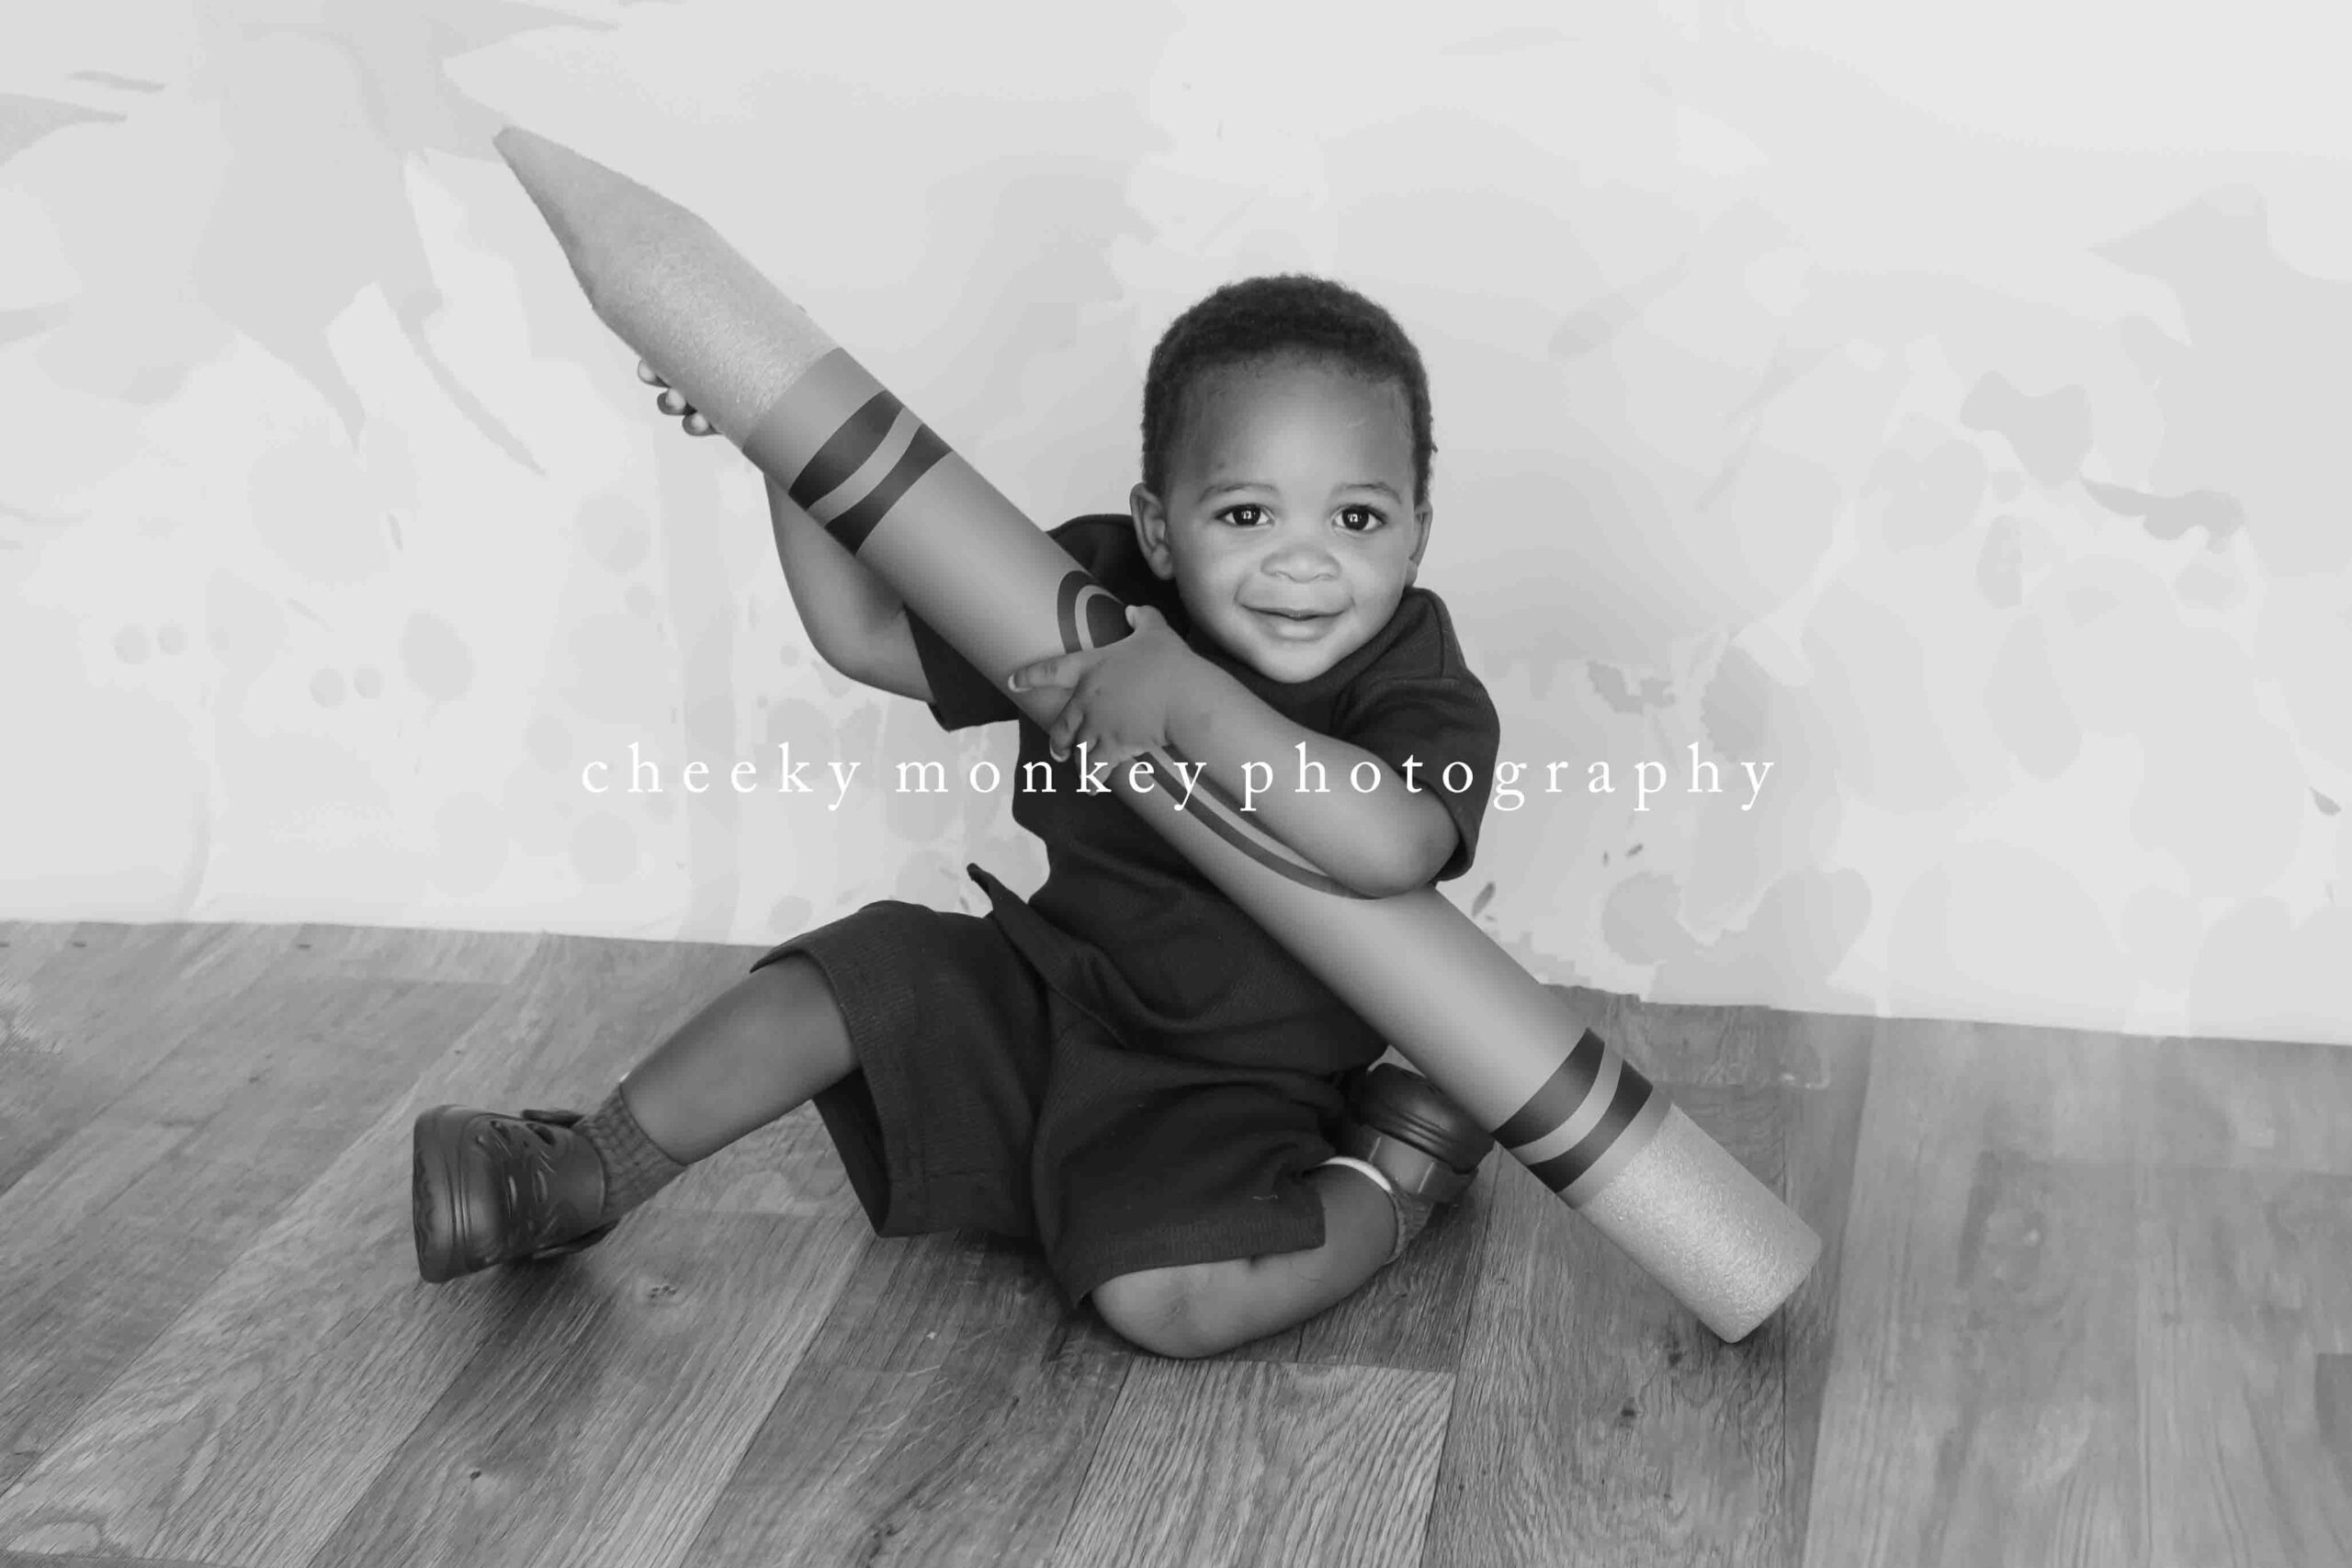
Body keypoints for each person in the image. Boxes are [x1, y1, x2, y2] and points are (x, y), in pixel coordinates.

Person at [412, 274, 1504, 1359]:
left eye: (1357, 517)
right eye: (1246, 513)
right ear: (1160, 530)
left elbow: (1395, 844)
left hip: (1234, 1081)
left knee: (1169, 1307)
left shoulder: (1410, 672)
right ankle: (580, 1174)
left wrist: (1188, 699)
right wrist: (777, 445)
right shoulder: (1100, 596)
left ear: (1415, 536)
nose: (1304, 560)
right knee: (838, 984)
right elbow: (866, 632)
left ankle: (1392, 1186)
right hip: (1050, 998)